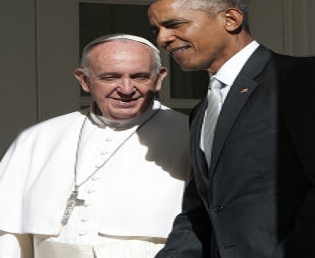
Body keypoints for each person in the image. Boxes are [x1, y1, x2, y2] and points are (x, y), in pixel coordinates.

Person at [148, 0, 315, 258]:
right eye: (157, 30)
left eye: (174, 24)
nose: (162, 39)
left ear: (231, 19)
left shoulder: (299, 77)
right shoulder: (201, 111)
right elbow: (200, 213)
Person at [0, 34, 191, 258]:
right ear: (84, 80)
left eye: (140, 77)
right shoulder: (38, 138)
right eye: (110, 77)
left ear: (159, 78)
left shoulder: (190, 135)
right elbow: (9, 234)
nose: (126, 89)